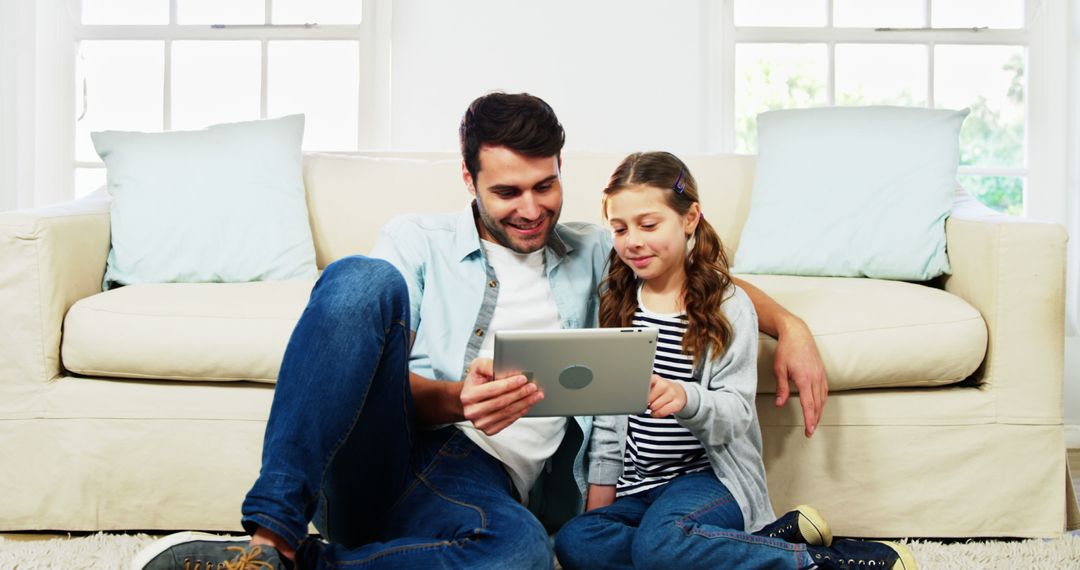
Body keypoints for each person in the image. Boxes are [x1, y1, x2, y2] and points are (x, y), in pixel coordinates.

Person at [132, 93, 828, 570]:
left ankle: (298, 565)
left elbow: (690, 268)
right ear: (469, 179)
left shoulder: (594, 250)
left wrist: (787, 325)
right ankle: (272, 535)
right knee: (359, 280)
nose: (531, 209)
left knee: (523, 555)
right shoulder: (416, 240)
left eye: (545, 185)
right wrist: (455, 399)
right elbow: (360, 373)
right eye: (507, 192)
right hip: (401, 450)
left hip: (481, 487)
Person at [552, 151, 915, 570]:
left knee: (660, 545)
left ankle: (818, 562)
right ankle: (759, 543)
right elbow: (609, 419)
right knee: (578, 543)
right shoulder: (616, 301)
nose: (633, 240)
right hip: (640, 490)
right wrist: (600, 508)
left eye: (648, 225)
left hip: (708, 482)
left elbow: (738, 414)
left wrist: (687, 398)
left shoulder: (727, 305)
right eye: (619, 228)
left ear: (689, 219)